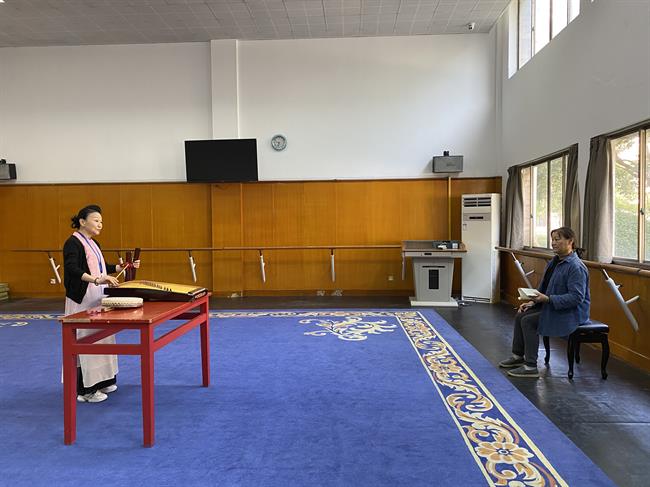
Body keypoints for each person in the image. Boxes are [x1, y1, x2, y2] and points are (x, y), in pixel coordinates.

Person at [63, 204, 140, 403]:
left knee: (102, 338)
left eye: (101, 221)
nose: (100, 224)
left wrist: (122, 267)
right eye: (96, 220)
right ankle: (85, 391)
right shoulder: (72, 242)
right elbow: (72, 268)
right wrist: (97, 280)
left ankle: (103, 381)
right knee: (86, 340)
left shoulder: (93, 242)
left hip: (97, 298)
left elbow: (101, 267)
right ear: (82, 221)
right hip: (82, 300)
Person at [498, 226, 590, 378]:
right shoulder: (554, 262)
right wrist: (533, 303)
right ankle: (518, 356)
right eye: (552, 239)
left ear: (570, 241)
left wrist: (547, 299)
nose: (553, 243)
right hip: (553, 307)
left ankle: (530, 366)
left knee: (528, 321)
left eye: (557, 239)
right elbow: (545, 289)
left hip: (571, 313)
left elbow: (576, 298)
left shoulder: (575, 267)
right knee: (521, 314)